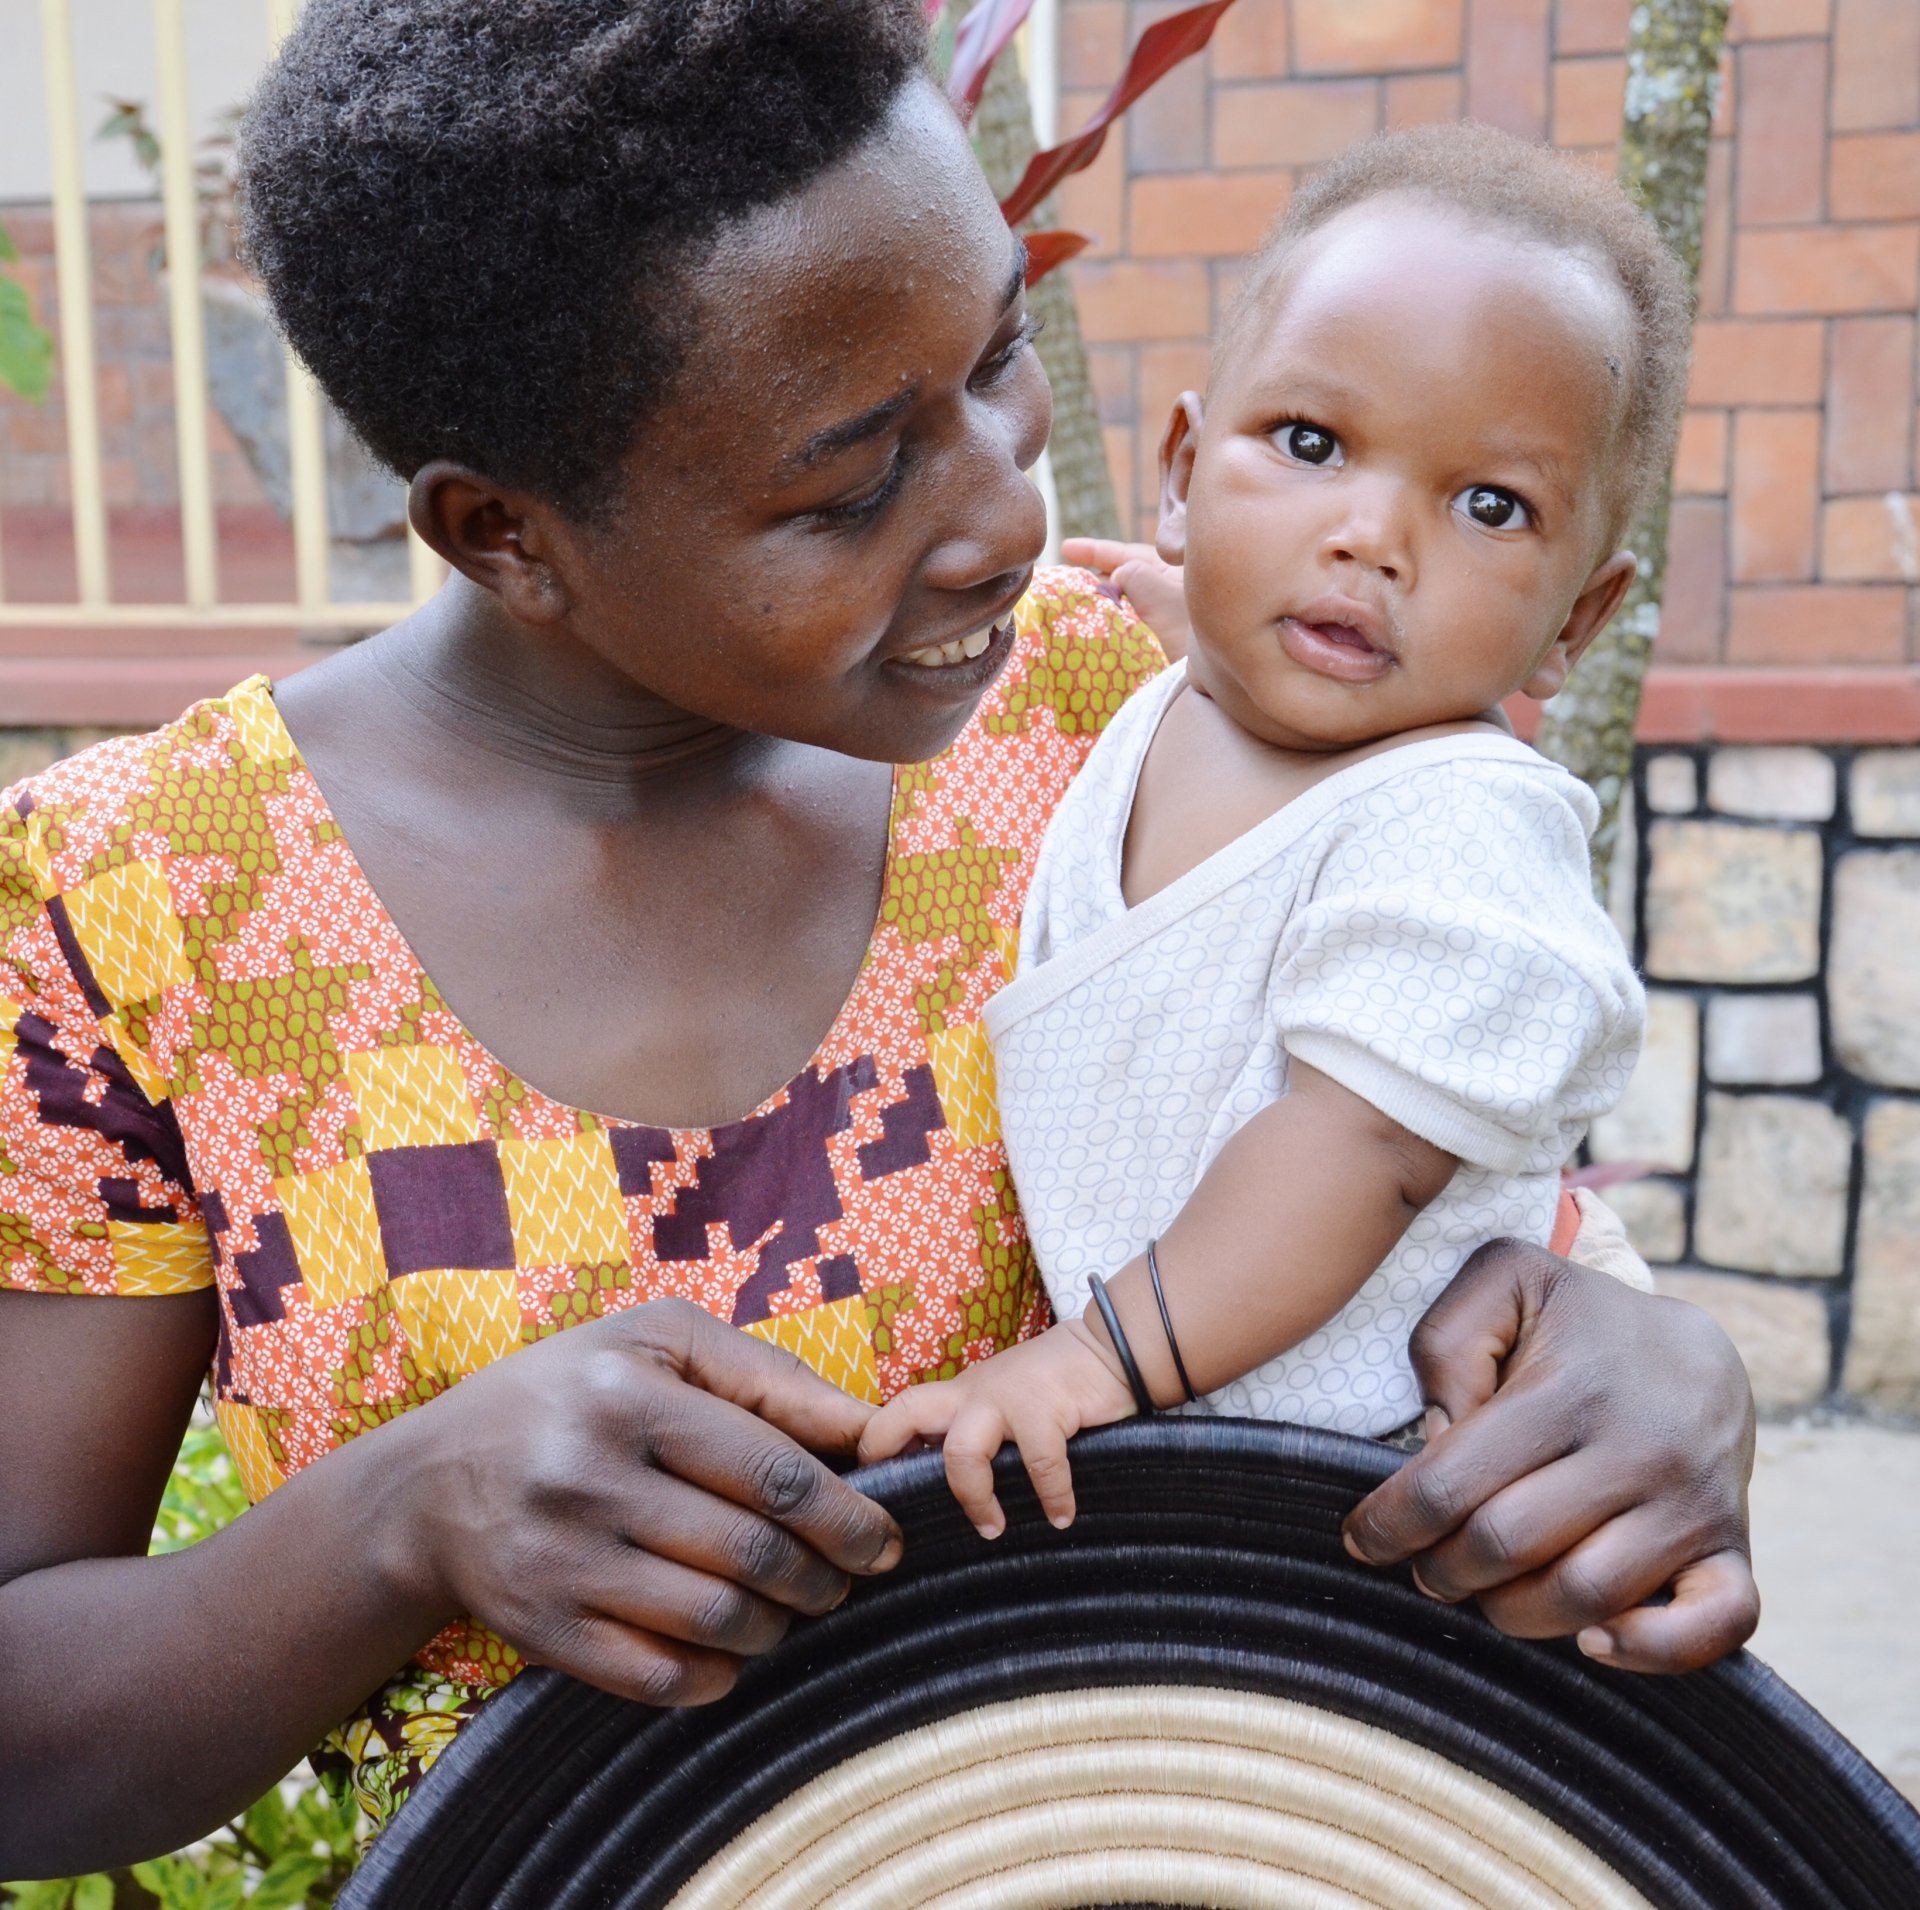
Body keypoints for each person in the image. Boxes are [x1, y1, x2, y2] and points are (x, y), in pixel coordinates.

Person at [0, 2, 1756, 1880]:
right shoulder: (151, 904)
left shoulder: (1163, 706)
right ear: (502, 530)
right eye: (849, 486)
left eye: (996, 351)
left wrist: (1638, 1369)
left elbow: (1441, 1093)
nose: (1006, 512)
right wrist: (404, 1516)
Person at [861, 126, 1686, 1581]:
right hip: (1200, 1475)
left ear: (1575, 619)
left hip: (1395, 1496)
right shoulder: (1173, 692)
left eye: (1490, 505)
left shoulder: (1461, 829)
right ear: (1181, 476)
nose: (1369, 535)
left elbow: (1349, 1151)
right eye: (1309, 445)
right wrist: (1199, 621)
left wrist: (1089, 1362)